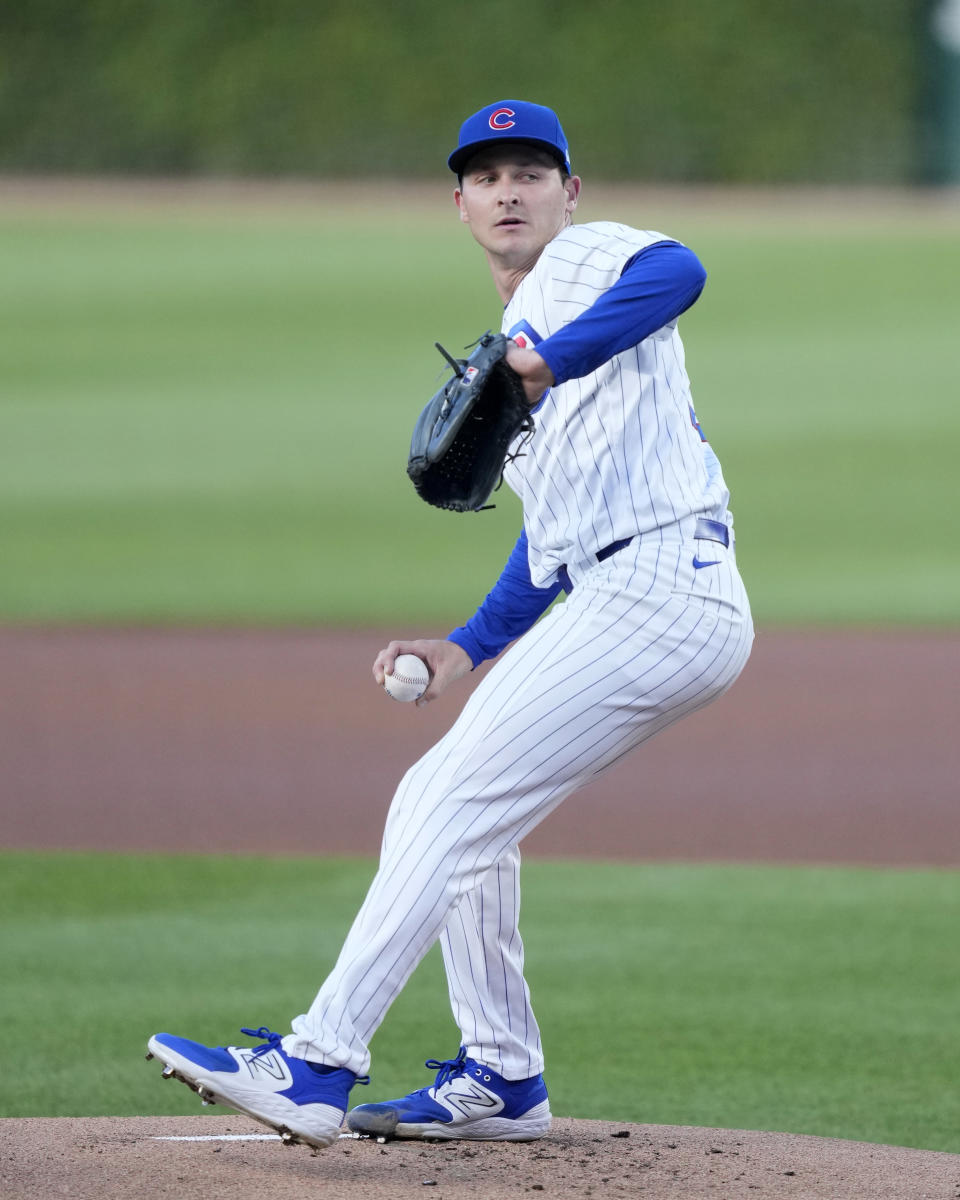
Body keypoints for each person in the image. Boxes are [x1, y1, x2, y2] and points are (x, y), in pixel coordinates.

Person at [147, 99, 754, 1150]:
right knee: (475, 817)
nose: (510, 189)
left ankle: (317, 1060)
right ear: (460, 203)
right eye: (487, 175)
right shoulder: (513, 350)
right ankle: (502, 1076)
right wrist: (465, 647)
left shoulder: (585, 265)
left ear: (572, 191)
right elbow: (551, 542)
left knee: (438, 795)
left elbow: (681, 272)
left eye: (531, 171)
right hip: (633, 587)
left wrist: (538, 365)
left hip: (661, 587)